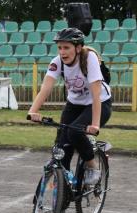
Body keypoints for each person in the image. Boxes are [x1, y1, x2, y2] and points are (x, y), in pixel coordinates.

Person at [27, 27, 112, 185]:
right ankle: (63, 197)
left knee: (74, 132)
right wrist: (33, 111)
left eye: (66, 47)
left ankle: (92, 166)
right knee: (61, 150)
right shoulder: (57, 62)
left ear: (78, 48)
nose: (62, 52)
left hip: (99, 103)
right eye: (59, 48)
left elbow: (95, 95)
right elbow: (45, 89)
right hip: (74, 104)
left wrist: (94, 124)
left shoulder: (89, 58)